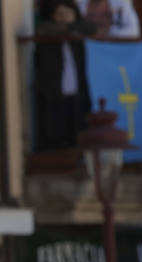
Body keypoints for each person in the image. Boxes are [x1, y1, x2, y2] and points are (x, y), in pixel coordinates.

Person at [32, 0, 91, 151]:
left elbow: (90, 27)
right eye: (60, 14)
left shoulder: (79, 31)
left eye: (68, 14)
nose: (64, 17)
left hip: (78, 87)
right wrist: (68, 28)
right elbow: (43, 29)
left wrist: (69, 28)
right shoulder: (48, 31)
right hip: (55, 86)